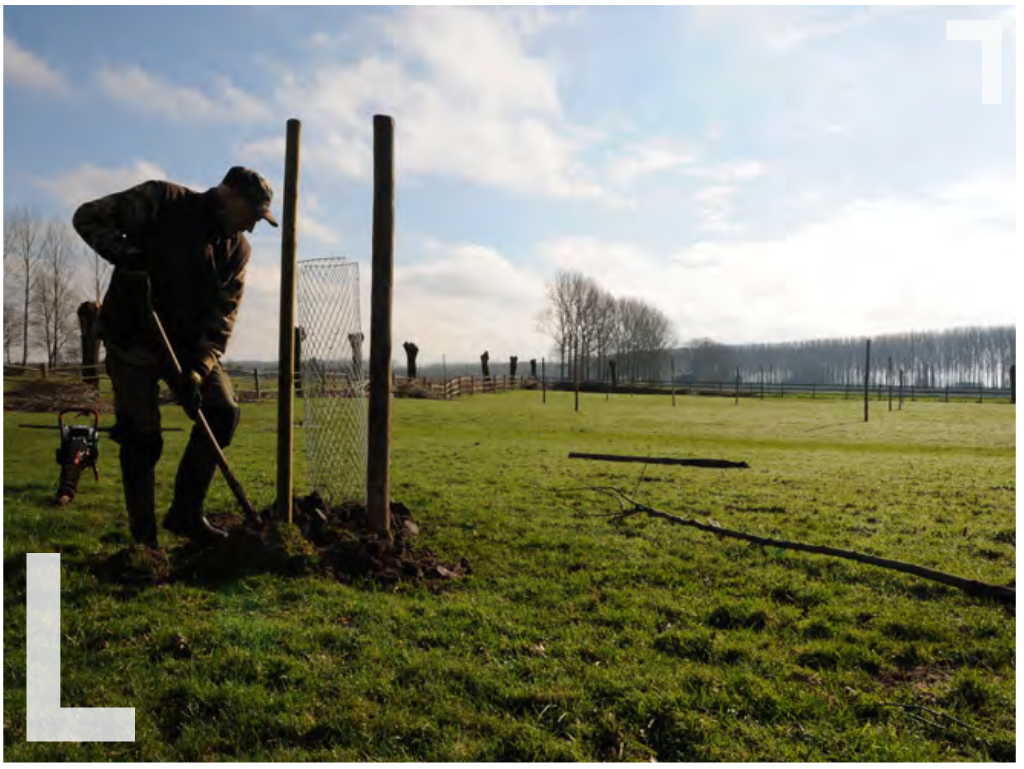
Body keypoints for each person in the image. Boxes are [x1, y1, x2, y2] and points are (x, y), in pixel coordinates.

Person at [72, 167, 278, 548]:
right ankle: (144, 542)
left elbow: (222, 319)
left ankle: (185, 513)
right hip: (132, 335)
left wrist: (199, 372)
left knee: (222, 410)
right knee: (142, 439)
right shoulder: (162, 201)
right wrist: (127, 256)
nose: (251, 227)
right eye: (252, 215)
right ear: (228, 194)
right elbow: (87, 216)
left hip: (185, 347)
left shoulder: (236, 251)